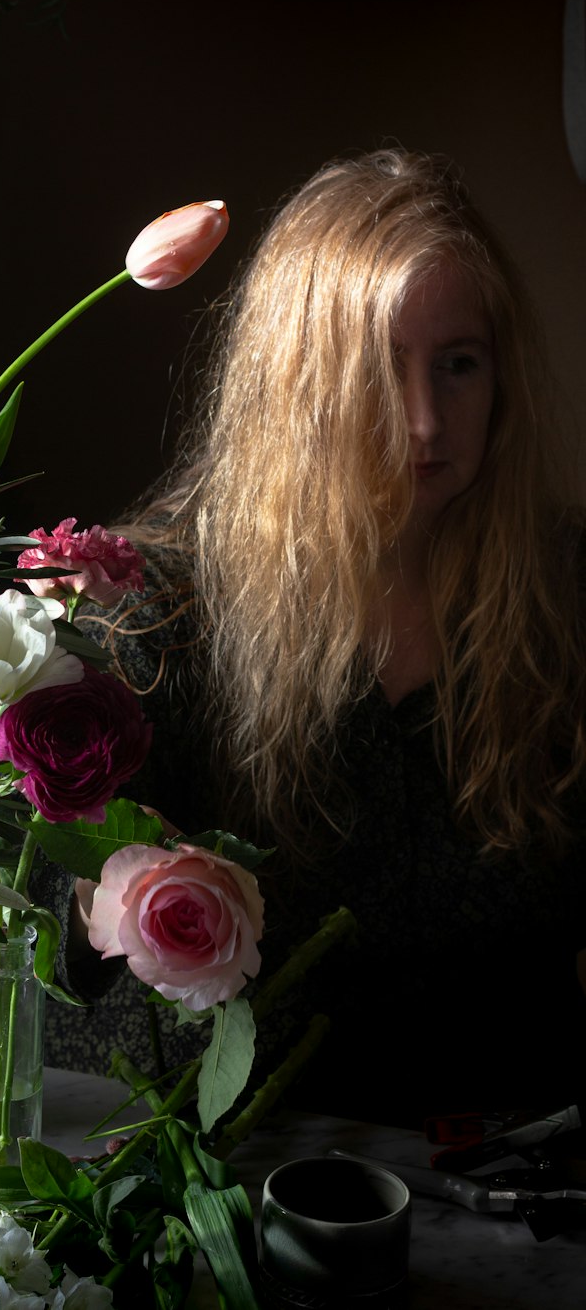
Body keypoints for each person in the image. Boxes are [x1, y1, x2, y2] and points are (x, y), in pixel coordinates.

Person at [42, 148, 586, 1130]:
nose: (424, 421)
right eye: (379, 370)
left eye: (456, 365)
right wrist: (90, 890)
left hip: (513, 1174)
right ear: (298, 384)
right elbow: (43, 933)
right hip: (231, 1173)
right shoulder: (161, 609)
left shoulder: (564, 595)